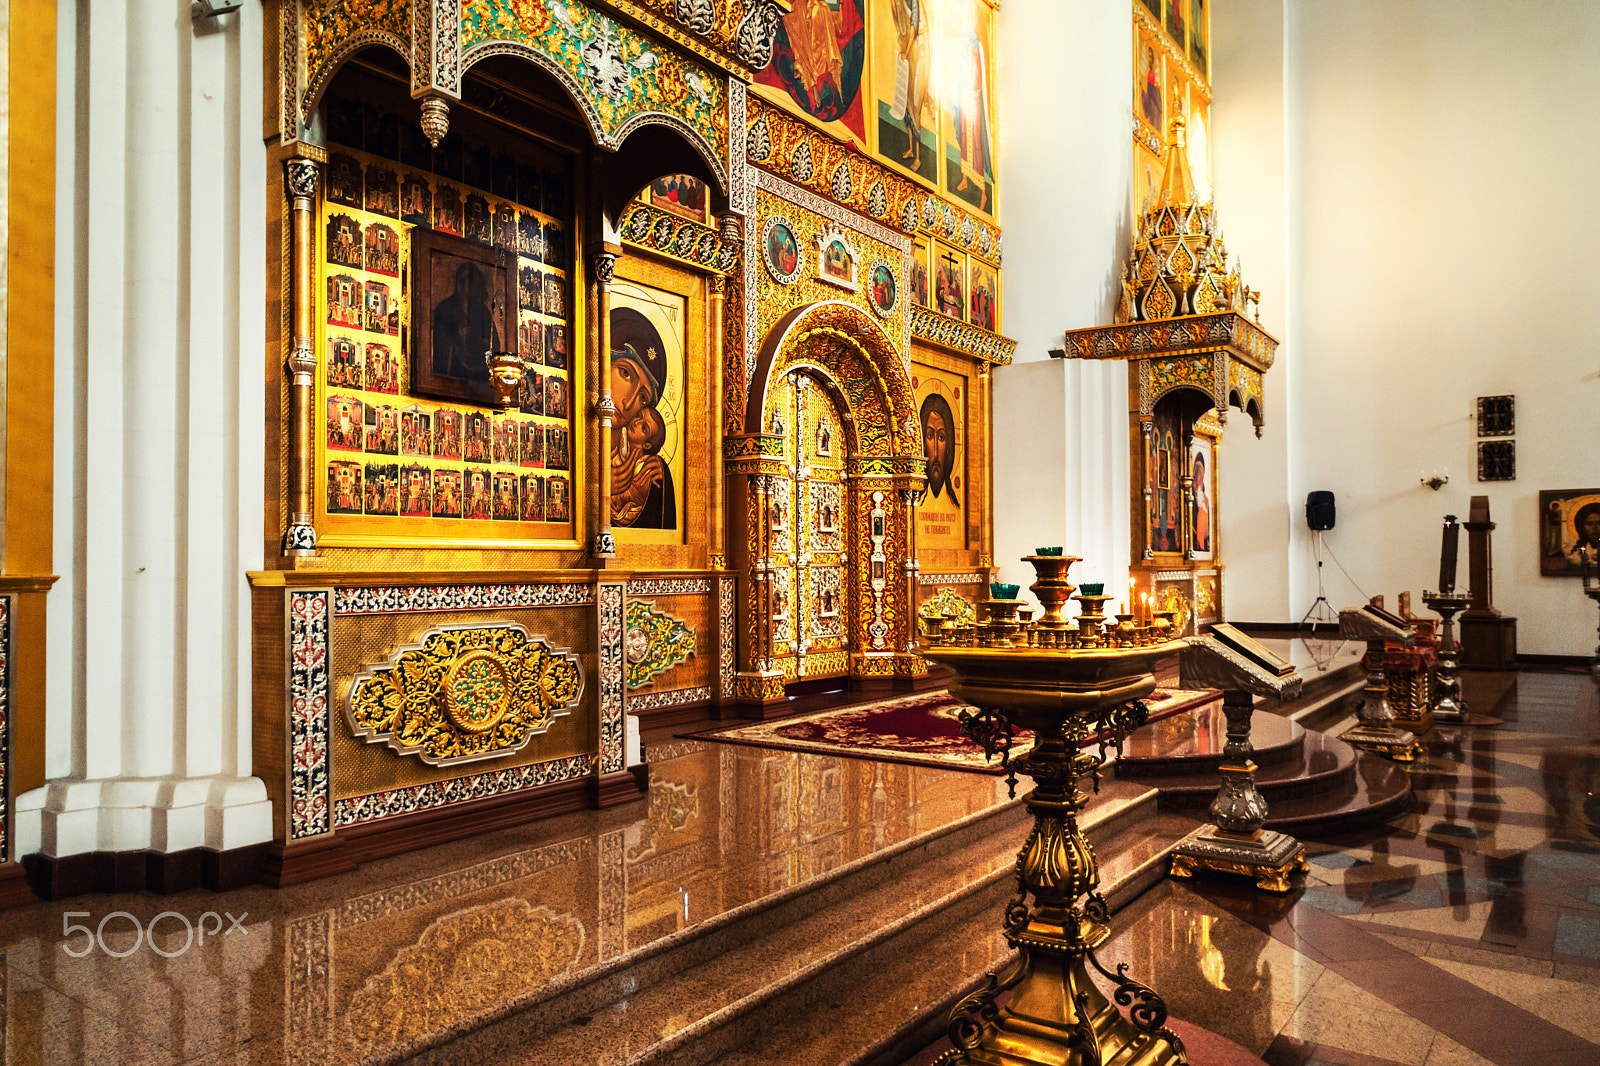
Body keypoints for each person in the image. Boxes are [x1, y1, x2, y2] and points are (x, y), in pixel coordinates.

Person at [432, 261, 499, 382]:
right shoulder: (445, 308)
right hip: (454, 374)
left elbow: (495, 345)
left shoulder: (482, 310)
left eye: (474, 283)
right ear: (460, 283)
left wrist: (480, 342)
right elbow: (441, 349)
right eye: (465, 281)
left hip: (480, 377)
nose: (470, 287)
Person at [920, 393, 958, 507]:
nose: (936, 452)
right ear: (923, 444)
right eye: (930, 436)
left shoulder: (954, 505)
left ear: (949, 446)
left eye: (941, 437)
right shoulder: (916, 499)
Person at [1566, 502, 1600, 569]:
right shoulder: (1575, 554)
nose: (1595, 528)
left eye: (1599, 523)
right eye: (1589, 524)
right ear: (1582, 527)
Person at [1191, 453, 1211, 553]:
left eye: (1201, 471)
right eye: (1197, 471)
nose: (1199, 476)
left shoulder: (1206, 500)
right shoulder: (1191, 497)